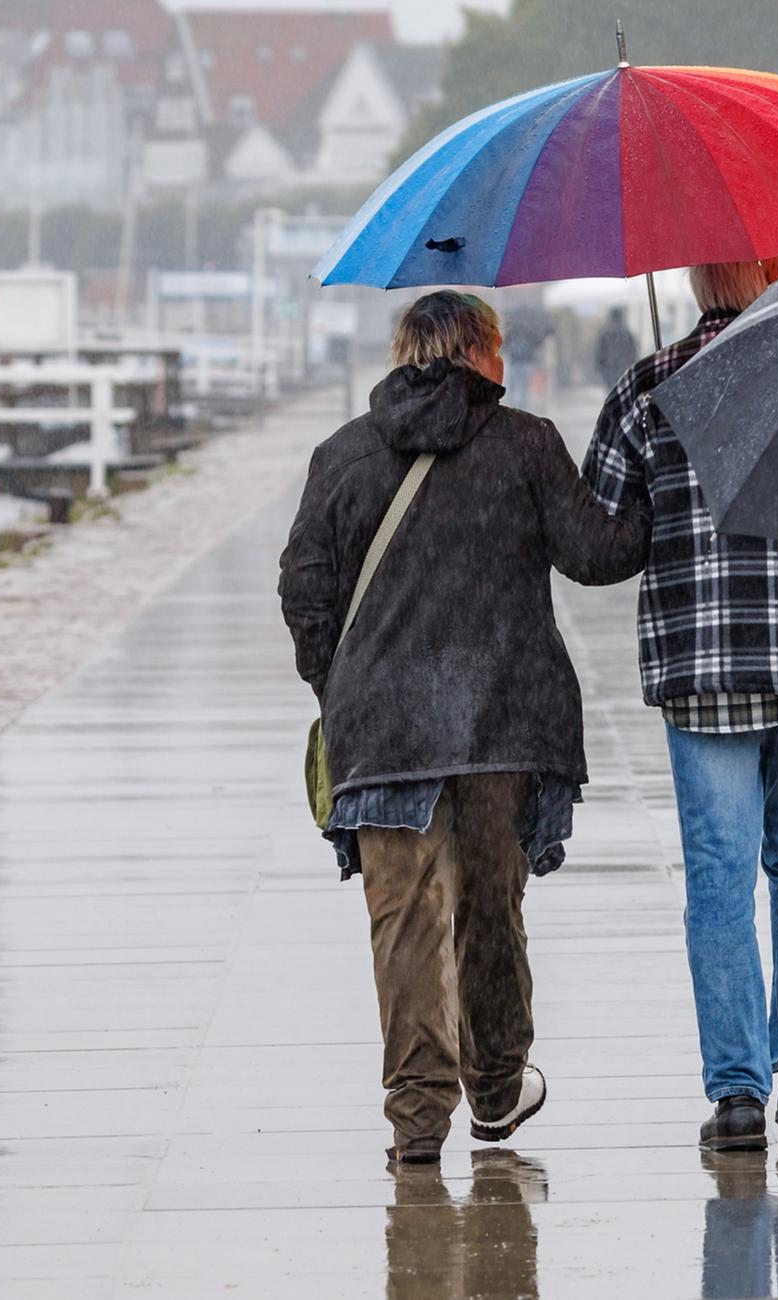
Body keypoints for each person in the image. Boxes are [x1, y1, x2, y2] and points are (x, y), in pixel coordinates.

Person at [278, 291, 649, 1167]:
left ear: (405, 351)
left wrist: (344, 685)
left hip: (384, 734)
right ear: (476, 354)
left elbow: (304, 589)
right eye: (499, 349)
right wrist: (655, 481)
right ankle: (494, 1090)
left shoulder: (344, 456)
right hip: (501, 725)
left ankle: (416, 1120)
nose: (507, 364)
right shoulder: (524, 445)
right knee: (490, 911)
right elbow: (598, 554)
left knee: (403, 923)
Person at [582, 258, 778, 1153]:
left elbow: (601, 540)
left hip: (701, 663)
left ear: (699, 284)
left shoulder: (650, 386)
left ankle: (739, 1094)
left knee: (719, 876)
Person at [594, 307, 641, 388]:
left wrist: (600, 366)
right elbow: (633, 351)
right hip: (624, 368)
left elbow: (599, 352)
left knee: (611, 392)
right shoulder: (627, 332)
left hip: (608, 368)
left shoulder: (605, 332)